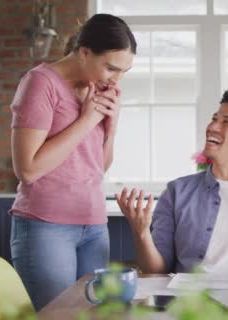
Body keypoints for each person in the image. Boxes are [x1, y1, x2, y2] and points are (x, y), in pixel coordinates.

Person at [8, 14, 136, 310]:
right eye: (111, 68)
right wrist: (87, 119)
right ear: (84, 52)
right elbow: (27, 170)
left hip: (93, 224)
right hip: (46, 226)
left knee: (95, 315)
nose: (116, 79)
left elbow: (98, 166)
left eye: (124, 72)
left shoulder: (99, 90)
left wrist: (110, 123)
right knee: (58, 315)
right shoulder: (41, 83)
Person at [117, 88, 228, 275]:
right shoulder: (177, 192)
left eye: (226, 122)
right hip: (192, 301)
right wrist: (141, 232)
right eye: (214, 119)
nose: (212, 127)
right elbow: (157, 269)